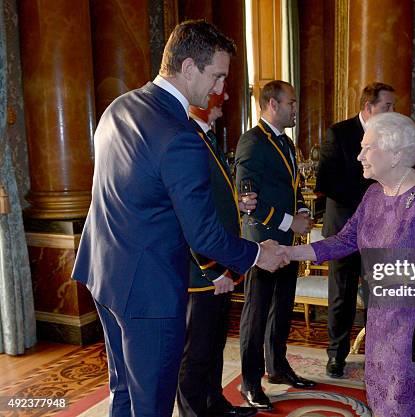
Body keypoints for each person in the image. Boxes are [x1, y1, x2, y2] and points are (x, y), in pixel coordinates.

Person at [72, 20, 286, 417]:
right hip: (148, 289)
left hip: (102, 272)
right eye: (217, 75)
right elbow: (204, 235)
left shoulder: (118, 107)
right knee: (152, 402)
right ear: (189, 68)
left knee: (124, 389)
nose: (220, 88)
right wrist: (258, 253)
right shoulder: (179, 135)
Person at [286, 112, 415, 417]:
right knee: (381, 399)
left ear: (395, 154)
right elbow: (344, 240)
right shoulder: (373, 195)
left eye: (368, 148)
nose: (359, 156)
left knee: (405, 404)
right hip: (380, 320)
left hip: (413, 325)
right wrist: (288, 254)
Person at [177, 89, 258, 417]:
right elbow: (188, 214)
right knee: (196, 352)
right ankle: (193, 411)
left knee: (214, 345)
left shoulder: (207, 137)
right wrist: (212, 269)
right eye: (216, 88)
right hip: (203, 271)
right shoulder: (189, 138)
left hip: (220, 263)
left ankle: (214, 404)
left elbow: (210, 199)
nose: (224, 94)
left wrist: (235, 203)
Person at [235, 80, 315, 411]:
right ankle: (250, 383)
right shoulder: (252, 142)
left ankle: (277, 367)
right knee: (256, 314)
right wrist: (288, 222)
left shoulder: (286, 142)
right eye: (291, 103)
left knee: (282, 307)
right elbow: (250, 200)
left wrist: (301, 211)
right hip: (263, 243)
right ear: (271, 105)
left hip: (287, 241)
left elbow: (291, 186)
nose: (295, 108)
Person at [315, 82, 396, 378]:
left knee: (380, 296)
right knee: (342, 296)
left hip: (381, 232)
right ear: (368, 108)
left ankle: (378, 354)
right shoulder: (340, 133)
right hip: (344, 229)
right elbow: (326, 182)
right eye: (387, 106)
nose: (392, 112)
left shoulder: (390, 138)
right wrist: (369, 203)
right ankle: (336, 355)